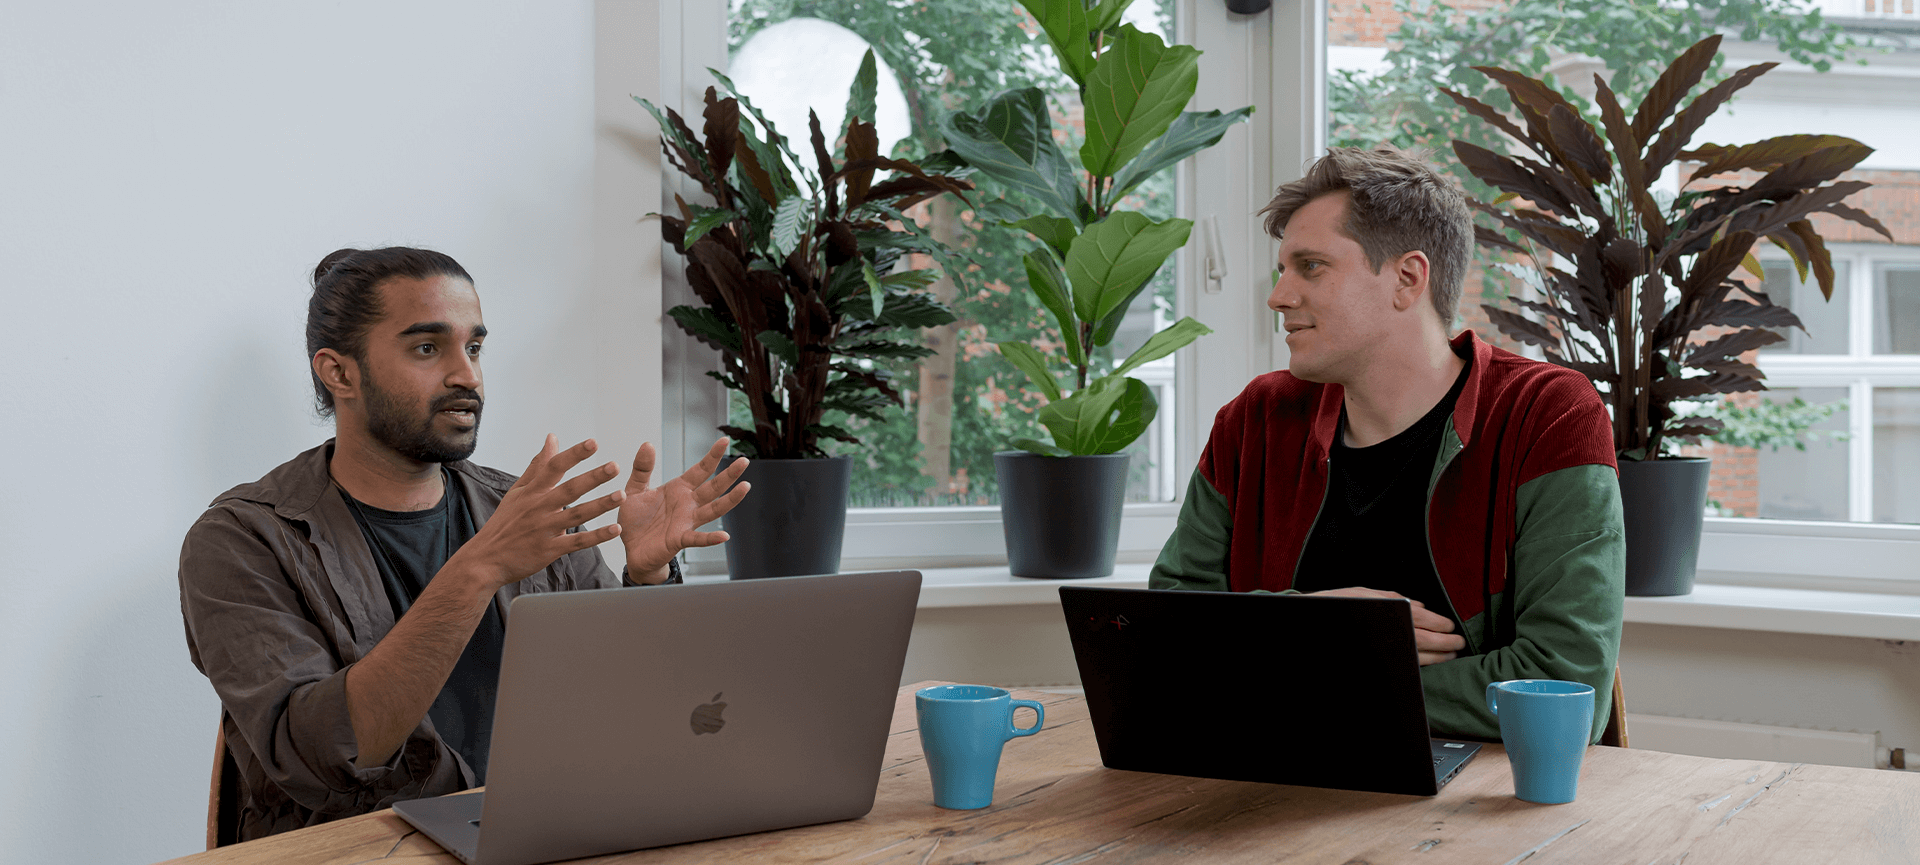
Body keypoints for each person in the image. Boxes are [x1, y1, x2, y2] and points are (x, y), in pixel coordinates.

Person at [178, 247, 750, 841]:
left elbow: (623, 710)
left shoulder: (527, 511)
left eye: (474, 347)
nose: (467, 375)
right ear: (338, 372)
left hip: (542, 835)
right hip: (363, 851)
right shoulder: (242, 540)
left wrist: (647, 579)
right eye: (428, 348)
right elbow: (322, 761)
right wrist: (478, 568)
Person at [1149, 148, 1625, 742]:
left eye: (1311, 266)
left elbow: (1562, 685)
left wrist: (1310, 673)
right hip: (1268, 785)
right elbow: (1165, 631)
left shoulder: (1544, 413)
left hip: (1482, 805)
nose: (1278, 296)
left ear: (1407, 278)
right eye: (1282, 270)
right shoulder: (1257, 420)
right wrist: (1311, 632)